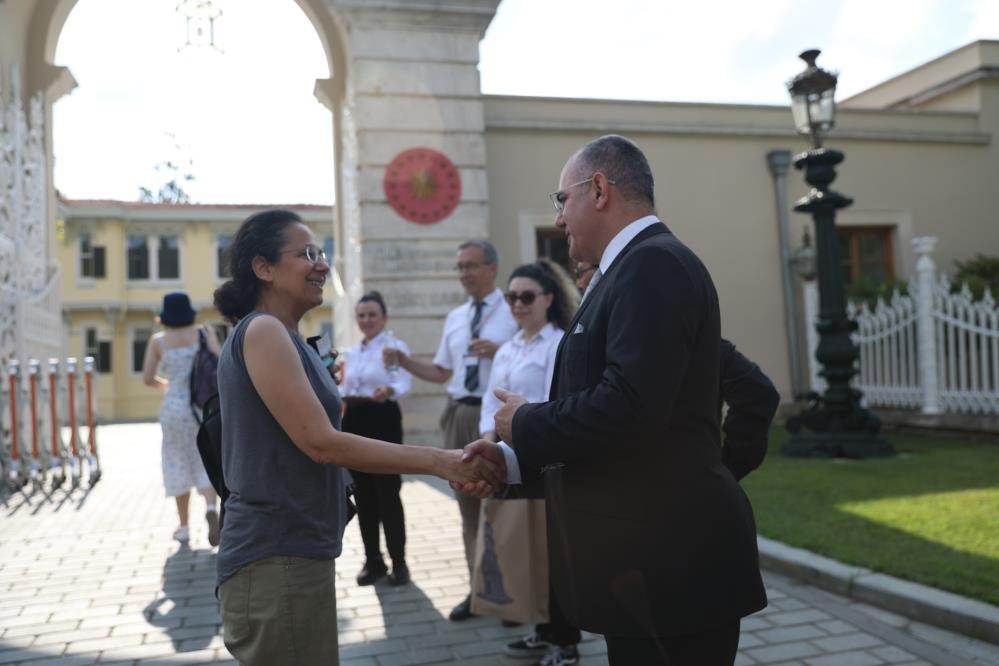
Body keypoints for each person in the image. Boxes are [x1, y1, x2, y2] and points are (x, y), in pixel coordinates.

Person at [462, 135, 769, 665]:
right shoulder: (625, 273)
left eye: (562, 200)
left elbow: (629, 408)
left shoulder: (653, 266)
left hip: (669, 569)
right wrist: (513, 460)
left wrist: (526, 422)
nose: (559, 219)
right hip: (645, 570)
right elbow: (612, 418)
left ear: (599, 189)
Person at [211, 209, 500, 665]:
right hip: (276, 555)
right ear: (263, 268)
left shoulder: (286, 334)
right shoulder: (265, 331)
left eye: (321, 252)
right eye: (306, 253)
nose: (321, 265)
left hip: (295, 550)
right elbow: (321, 442)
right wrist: (439, 461)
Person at [383, 239, 518, 622]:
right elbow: (442, 372)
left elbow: (530, 351)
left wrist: (500, 350)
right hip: (459, 413)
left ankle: (509, 593)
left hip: (497, 416)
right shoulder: (457, 317)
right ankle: (478, 592)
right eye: (460, 267)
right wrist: (405, 361)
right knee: (468, 506)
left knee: (504, 506)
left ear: (492, 268)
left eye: (472, 265)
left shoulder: (513, 310)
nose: (464, 274)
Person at [478, 259, 583, 666]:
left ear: (549, 298)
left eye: (526, 296)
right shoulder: (508, 348)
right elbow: (491, 402)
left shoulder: (559, 344)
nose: (518, 304)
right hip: (508, 460)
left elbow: (555, 404)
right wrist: (487, 444)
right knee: (525, 550)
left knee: (555, 557)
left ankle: (567, 642)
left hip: (545, 461)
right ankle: (542, 631)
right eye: (512, 297)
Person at [341, 290, 413, 587]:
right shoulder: (353, 352)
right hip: (355, 419)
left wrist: (389, 390)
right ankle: (373, 561)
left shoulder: (392, 348)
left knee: (387, 492)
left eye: (372, 314)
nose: (366, 320)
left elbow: (402, 381)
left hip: (382, 418)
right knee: (363, 494)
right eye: (361, 315)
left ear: (384, 317)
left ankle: (399, 562)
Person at [142, 291, 221, 546]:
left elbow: (147, 378)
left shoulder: (159, 341)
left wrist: (168, 384)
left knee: (177, 462)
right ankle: (210, 508)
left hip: (174, 409)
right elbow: (220, 361)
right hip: (202, 407)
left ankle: (185, 527)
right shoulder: (203, 333)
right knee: (204, 459)